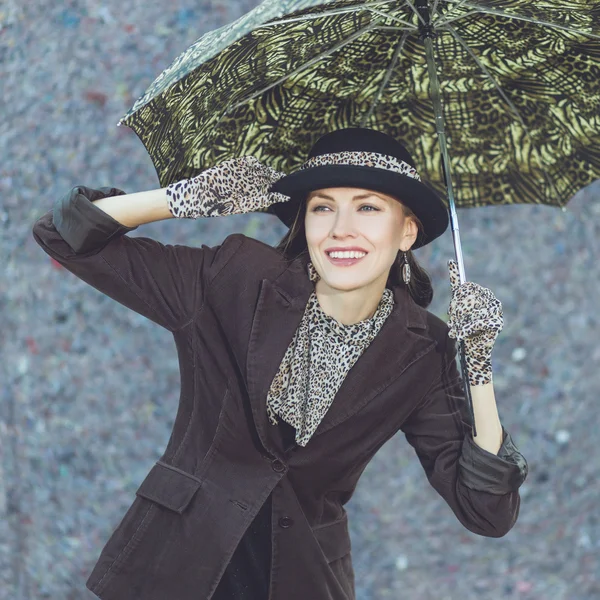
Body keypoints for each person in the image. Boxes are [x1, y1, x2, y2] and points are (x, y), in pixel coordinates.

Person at [31, 127, 528, 600]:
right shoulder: (236, 277)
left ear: (407, 231)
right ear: (304, 221)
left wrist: (478, 363)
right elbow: (61, 235)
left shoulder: (426, 347)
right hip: (176, 562)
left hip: (301, 577)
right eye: (322, 207)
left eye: (368, 208)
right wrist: (180, 200)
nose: (341, 229)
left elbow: (485, 510)